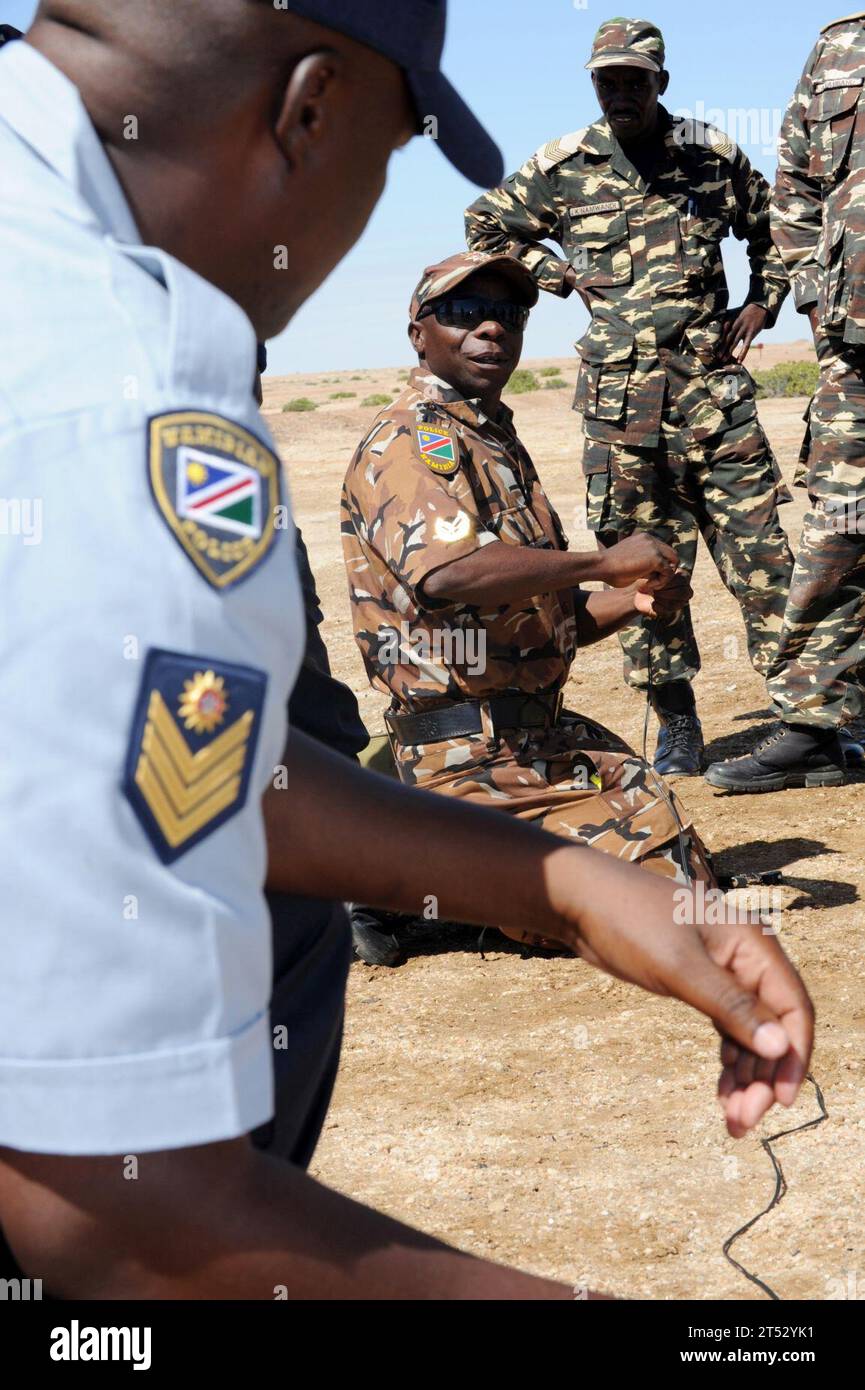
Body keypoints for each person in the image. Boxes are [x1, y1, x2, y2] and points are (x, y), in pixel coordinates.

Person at [0, 3, 813, 1301]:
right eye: (392, 154)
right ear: (308, 109)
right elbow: (108, 1219)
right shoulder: (109, 407)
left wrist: (568, 889)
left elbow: (191, 769)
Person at [464, 17, 794, 777]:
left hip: (713, 395)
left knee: (762, 557)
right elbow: (486, 225)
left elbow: (774, 228)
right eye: (606, 81)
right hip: (619, 407)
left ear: (659, 83)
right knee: (637, 568)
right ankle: (676, 723)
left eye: (633, 81)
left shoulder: (710, 154)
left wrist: (761, 302)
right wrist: (557, 276)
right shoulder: (564, 164)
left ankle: (801, 715)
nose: (619, 93)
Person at [342, 247, 719, 896]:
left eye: (508, 316)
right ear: (418, 333)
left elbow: (550, 617)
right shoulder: (409, 437)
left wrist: (631, 602)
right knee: (655, 898)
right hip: (462, 754)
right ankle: (396, 890)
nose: (491, 329)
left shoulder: (491, 441)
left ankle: (423, 874)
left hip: (533, 734)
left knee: (677, 851)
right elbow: (449, 573)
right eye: (464, 312)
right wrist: (604, 559)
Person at [705, 12, 865, 792]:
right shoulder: (838, 46)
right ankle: (813, 724)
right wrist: (812, 302)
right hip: (852, 343)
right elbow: (796, 184)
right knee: (838, 530)